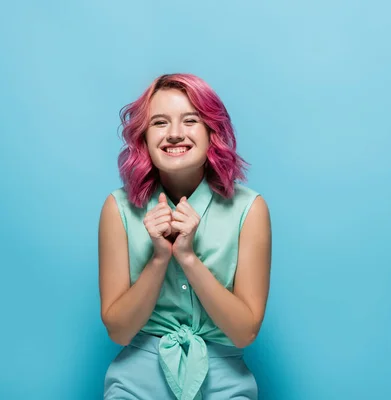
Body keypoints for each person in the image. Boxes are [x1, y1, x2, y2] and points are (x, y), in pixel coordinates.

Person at [98, 73, 272, 400]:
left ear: (212, 132)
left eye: (190, 120)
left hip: (224, 385)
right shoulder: (116, 208)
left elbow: (244, 332)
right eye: (160, 123)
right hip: (135, 385)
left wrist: (188, 258)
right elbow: (118, 331)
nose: (175, 134)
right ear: (144, 137)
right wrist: (160, 257)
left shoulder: (250, 209)